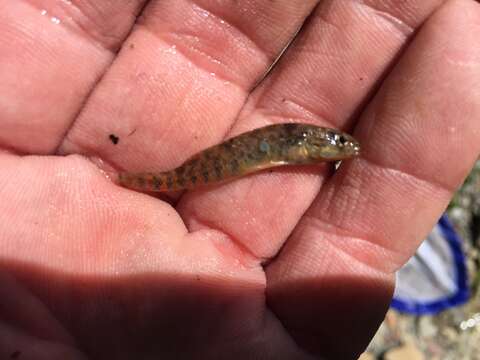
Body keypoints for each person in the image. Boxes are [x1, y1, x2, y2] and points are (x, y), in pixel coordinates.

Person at [0, 0, 479, 359]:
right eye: (337, 146)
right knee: (169, 178)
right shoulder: (305, 143)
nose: (343, 150)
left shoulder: (311, 145)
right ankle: (132, 181)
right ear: (316, 146)